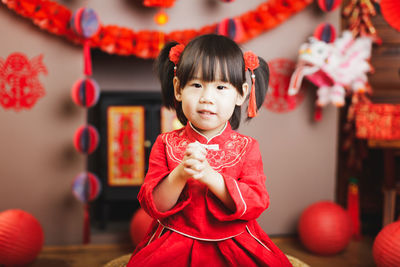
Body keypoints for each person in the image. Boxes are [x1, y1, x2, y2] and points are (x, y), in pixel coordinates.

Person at [127, 34, 292, 267]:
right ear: (178, 89)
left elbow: (256, 201)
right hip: (175, 241)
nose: (207, 98)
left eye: (221, 87)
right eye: (196, 85)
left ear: (241, 94)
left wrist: (211, 177)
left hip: (235, 241)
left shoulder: (247, 147)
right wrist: (181, 173)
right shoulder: (165, 143)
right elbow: (154, 205)